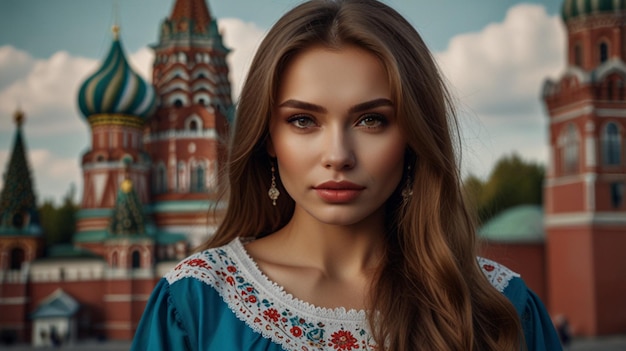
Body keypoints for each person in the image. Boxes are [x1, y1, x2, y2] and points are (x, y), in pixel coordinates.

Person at [131, 0, 562, 350]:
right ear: (267, 137)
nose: (337, 156)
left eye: (371, 120)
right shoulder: (196, 305)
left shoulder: (499, 307)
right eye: (303, 120)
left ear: (413, 134)